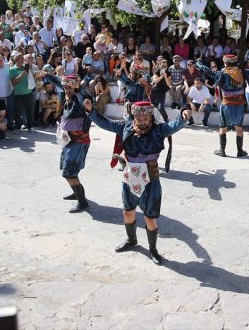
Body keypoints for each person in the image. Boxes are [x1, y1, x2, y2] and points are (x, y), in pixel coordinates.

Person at [86, 100, 192, 264]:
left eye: (146, 118)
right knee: (128, 212)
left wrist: (184, 114)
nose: (143, 121)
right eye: (139, 118)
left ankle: (153, 250)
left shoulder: (158, 130)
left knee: (150, 217)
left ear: (150, 116)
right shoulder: (125, 127)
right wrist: (91, 111)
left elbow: (174, 125)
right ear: (134, 117)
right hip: (130, 179)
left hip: (151, 180)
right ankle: (132, 240)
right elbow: (105, 123)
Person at [197, 54, 249, 157]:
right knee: (239, 128)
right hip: (239, 106)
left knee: (223, 128)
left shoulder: (221, 74)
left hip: (226, 105)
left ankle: (222, 150)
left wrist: (199, 62)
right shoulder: (242, 72)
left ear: (226, 63)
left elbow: (207, 71)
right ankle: (240, 151)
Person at [55, 76, 93, 213]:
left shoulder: (81, 99)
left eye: (70, 87)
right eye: (65, 87)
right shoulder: (68, 99)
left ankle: (82, 202)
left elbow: (81, 93)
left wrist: (77, 88)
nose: (67, 90)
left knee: (69, 173)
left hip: (78, 141)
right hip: (68, 141)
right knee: (70, 170)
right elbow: (57, 82)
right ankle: (77, 192)